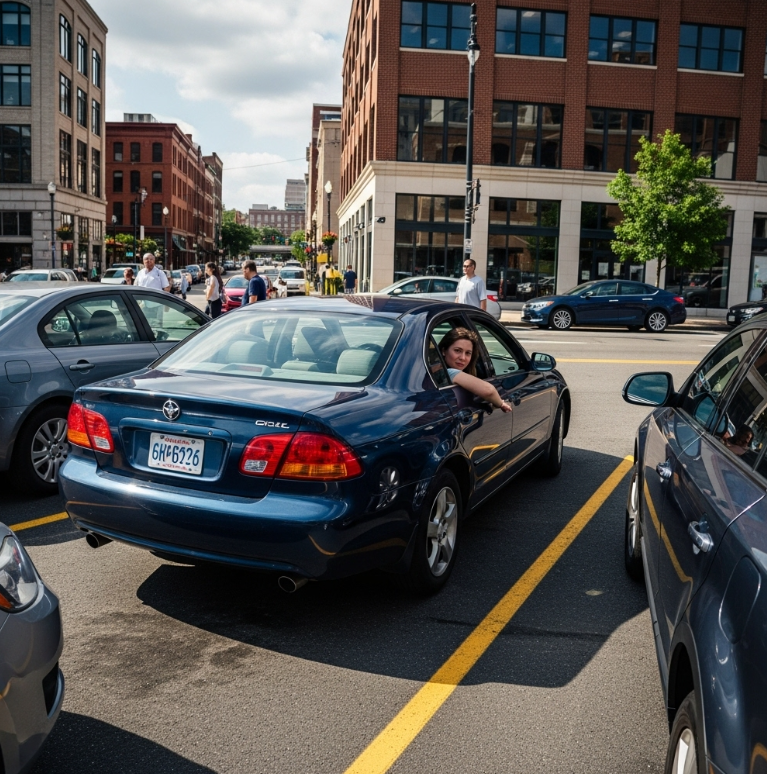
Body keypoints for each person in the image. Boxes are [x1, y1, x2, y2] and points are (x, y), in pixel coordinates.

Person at [439, 327, 511, 412]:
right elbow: (489, 391)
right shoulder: (448, 372)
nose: (463, 358)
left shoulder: (434, 370)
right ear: (444, 351)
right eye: (457, 350)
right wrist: (501, 403)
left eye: (468, 353)